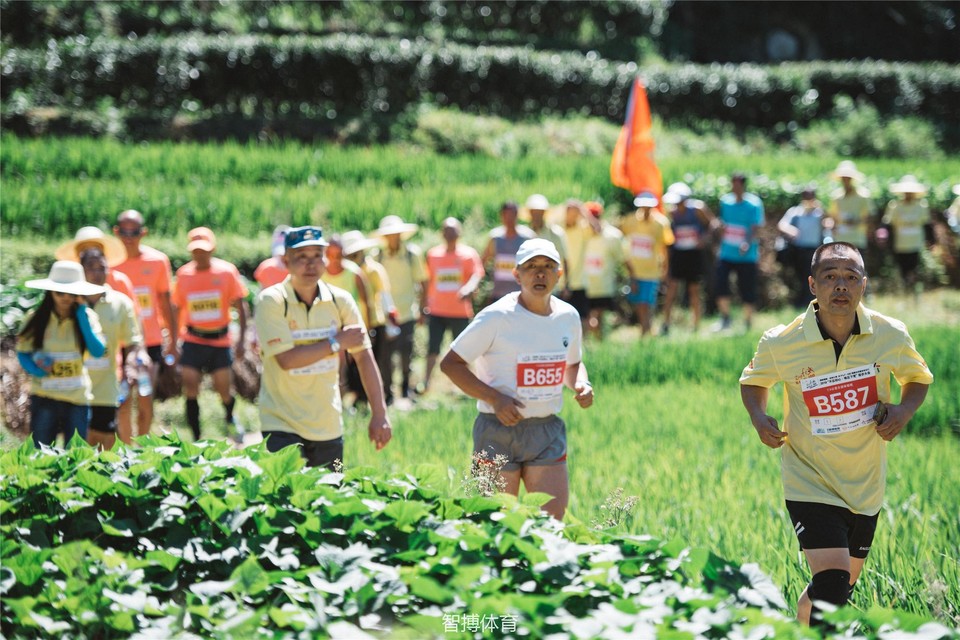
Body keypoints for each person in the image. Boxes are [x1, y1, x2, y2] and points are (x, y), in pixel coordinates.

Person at [740, 242, 932, 628]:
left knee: (837, 587)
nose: (840, 286)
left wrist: (904, 410)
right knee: (832, 583)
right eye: (829, 277)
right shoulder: (782, 342)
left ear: (864, 284)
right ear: (813, 284)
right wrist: (760, 417)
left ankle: (799, 630)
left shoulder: (890, 334)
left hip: (865, 483)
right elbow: (754, 382)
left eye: (850, 277)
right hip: (808, 479)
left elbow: (916, 379)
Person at [440, 238, 594, 520]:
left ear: (559, 274)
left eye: (548, 267)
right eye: (531, 267)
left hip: (546, 430)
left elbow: (571, 364)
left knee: (550, 526)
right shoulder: (496, 317)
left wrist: (581, 384)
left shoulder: (568, 317)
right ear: (516, 274)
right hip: (496, 429)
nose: (540, 273)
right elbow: (451, 364)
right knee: (493, 527)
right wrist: (495, 398)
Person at [254, 226, 392, 469]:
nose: (311, 264)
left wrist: (379, 414)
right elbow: (286, 360)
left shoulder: (340, 300)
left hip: (328, 425)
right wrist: (336, 342)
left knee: (330, 500)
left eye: (317, 255)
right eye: (301, 257)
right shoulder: (272, 301)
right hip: (281, 424)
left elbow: (364, 358)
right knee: (287, 500)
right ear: (286, 261)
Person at [16, 261, 106, 447]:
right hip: (44, 396)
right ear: (50, 292)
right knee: (40, 453)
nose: (65, 298)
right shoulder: (36, 318)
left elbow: (97, 351)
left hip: (77, 398)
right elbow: (23, 352)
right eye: (60, 292)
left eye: (72, 293)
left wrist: (82, 315)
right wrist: (35, 369)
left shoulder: (87, 317)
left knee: (75, 455)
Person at [171, 227, 248, 442]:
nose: (200, 255)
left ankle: (231, 419)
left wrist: (241, 339)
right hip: (193, 340)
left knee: (223, 388)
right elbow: (177, 308)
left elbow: (241, 306)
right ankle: (196, 437)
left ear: (212, 249)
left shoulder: (226, 272)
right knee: (190, 384)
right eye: (195, 251)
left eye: (203, 250)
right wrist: (174, 342)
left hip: (220, 340)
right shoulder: (184, 274)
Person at [112, 209, 178, 442]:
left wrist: (174, 341)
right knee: (122, 402)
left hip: (149, 341)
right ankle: (125, 451)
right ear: (116, 232)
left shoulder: (158, 261)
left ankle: (141, 448)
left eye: (135, 232)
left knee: (145, 398)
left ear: (144, 233)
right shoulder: (109, 264)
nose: (129, 237)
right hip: (118, 343)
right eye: (125, 232)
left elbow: (166, 303)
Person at [79, 249, 145, 451]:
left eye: (102, 268)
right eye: (91, 268)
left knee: (104, 441)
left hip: (106, 387)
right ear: (81, 270)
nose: (97, 273)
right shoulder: (70, 302)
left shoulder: (121, 303)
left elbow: (133, 342)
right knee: (77, 442)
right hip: (74, 386)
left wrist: (131, 365)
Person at [421, 217, 484, 392]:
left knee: (464, 350)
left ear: (459, 233)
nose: (450, 235)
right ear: (442, 234)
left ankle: (468, 386)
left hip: (460, 312)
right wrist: (423, 305)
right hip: (437, 311)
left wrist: (468, 289)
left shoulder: (468, 254)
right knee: (432, 348)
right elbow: (426, 281)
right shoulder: (433, 255)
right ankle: (426, 382)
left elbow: (476, 275)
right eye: (447, 232)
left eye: (453, 232)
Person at [371, 215, 428, 403]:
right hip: (384, 316)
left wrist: (422, 308)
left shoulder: (412, 255)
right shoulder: (376, 257)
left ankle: (405, 390)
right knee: (385, 358)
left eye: (396, 234)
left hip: (407, 312)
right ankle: (387, 394)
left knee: (406, 355)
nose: (393, 238)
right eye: (389, 235)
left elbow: (422, 282)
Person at [342, 230, 396, 406]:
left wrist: (391, 319)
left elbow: (385, 295)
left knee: (374, 362)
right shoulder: (348, 272)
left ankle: (378, 397)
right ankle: (360, 397)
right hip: (353, 322)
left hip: (373, 322)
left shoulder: (373, 270)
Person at [321, 234, 372, 406]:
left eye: (338, 255)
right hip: (327, 328)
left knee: (346, 368)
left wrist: (367, 329)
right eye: (330, 255)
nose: (334, 259)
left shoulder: (354, 273)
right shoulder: (319, 273)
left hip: (349, 328)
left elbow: (366, 303)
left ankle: (346, 403)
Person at [661, 183, 717, 334]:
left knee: (694, 290)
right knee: (671, 289)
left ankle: (696, 324)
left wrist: (704, 239)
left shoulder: (698, 209)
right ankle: (665, 323)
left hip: (694, 254)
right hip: (678, 254)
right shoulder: (671, 213)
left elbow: (713, 224)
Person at [619, 191, 674, 337]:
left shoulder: (661, 223)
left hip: (652, 271)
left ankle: (646, 331)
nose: (646, 209)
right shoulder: (630, 221)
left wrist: (666, 269)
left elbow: (665, 247)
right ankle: (646, 329)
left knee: (646, 302)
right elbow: (620, 236)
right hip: (634, 271)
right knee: (638, 303)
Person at [714, 172, 764, 332]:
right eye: (732, 184)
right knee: (721, 285)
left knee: (747, 288)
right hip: (726, 253)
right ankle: (725, 318)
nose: (735, 187)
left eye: (738, 184)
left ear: (743, 185)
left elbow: (755, 228)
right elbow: (723, 223)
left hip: (747, 256)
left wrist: (747, 243)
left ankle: (748, 322)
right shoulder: (725, 202)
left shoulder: (754, 204)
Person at [55, 226, 138, 306]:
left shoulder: (119, 281)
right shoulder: (69, 287)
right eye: (85, 251)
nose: (92, 254)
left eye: (96, 249)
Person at [777, 187, 828, 308]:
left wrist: (822, 210)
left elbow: (829, 223)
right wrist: (791, 230)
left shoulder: (820, 212)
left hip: (815, 250)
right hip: (798, 250)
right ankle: (802, 302)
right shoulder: (795, 212)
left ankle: (811, 302)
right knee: (801, 277)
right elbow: (782, 225)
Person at [581, 202, 625, 339]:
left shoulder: (613, 235)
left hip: (603, 286)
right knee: (585, 319)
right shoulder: (580, 232)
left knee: (599, 318)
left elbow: (622, 259)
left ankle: (599, 346)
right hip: (583, 285)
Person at [882, 175, 930, 293]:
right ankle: (905, 288)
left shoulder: (921, 206)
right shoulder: (895, 205)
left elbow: (927, 224)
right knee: (902, 267)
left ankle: (913, 288)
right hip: (900, 243)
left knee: (914, 267)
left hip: (915, 242)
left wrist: (930, 240)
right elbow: (888, 223)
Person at [481, 201, 535, 304]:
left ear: (517, 215)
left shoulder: (527, 237)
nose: (509, 218)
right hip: (499, 294)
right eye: (506, 214)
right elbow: (483, 262)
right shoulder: (495, 238)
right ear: (501, 215)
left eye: (512, 214)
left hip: (523, 296)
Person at [522, 194, 568, 293]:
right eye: (534, 212)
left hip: (552, 287)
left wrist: (566, 286)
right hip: (529, 287)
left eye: (540, 212)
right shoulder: (523, 233)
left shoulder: (555, 234)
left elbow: (564, 260)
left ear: (544, 213)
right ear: (530, 213)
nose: (537, 215)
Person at [827, 161, 873, 254]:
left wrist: (856, 222)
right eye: (843, 178)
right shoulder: (836, 196)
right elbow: (833, 217)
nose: (845, 180)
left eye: (848, 178)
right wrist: (832, 226)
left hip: (857, 239)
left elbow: (869, 217)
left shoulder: (863, 196)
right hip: (840, 239)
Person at [561, 199, 593, 327]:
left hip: (579, 281)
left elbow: (597, 229)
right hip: (561, 283)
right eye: (570, 212)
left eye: (576, 213)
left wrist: (584, 211)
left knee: (582, 318)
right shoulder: (559, 229)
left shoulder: (583, 229)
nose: (573, 216)